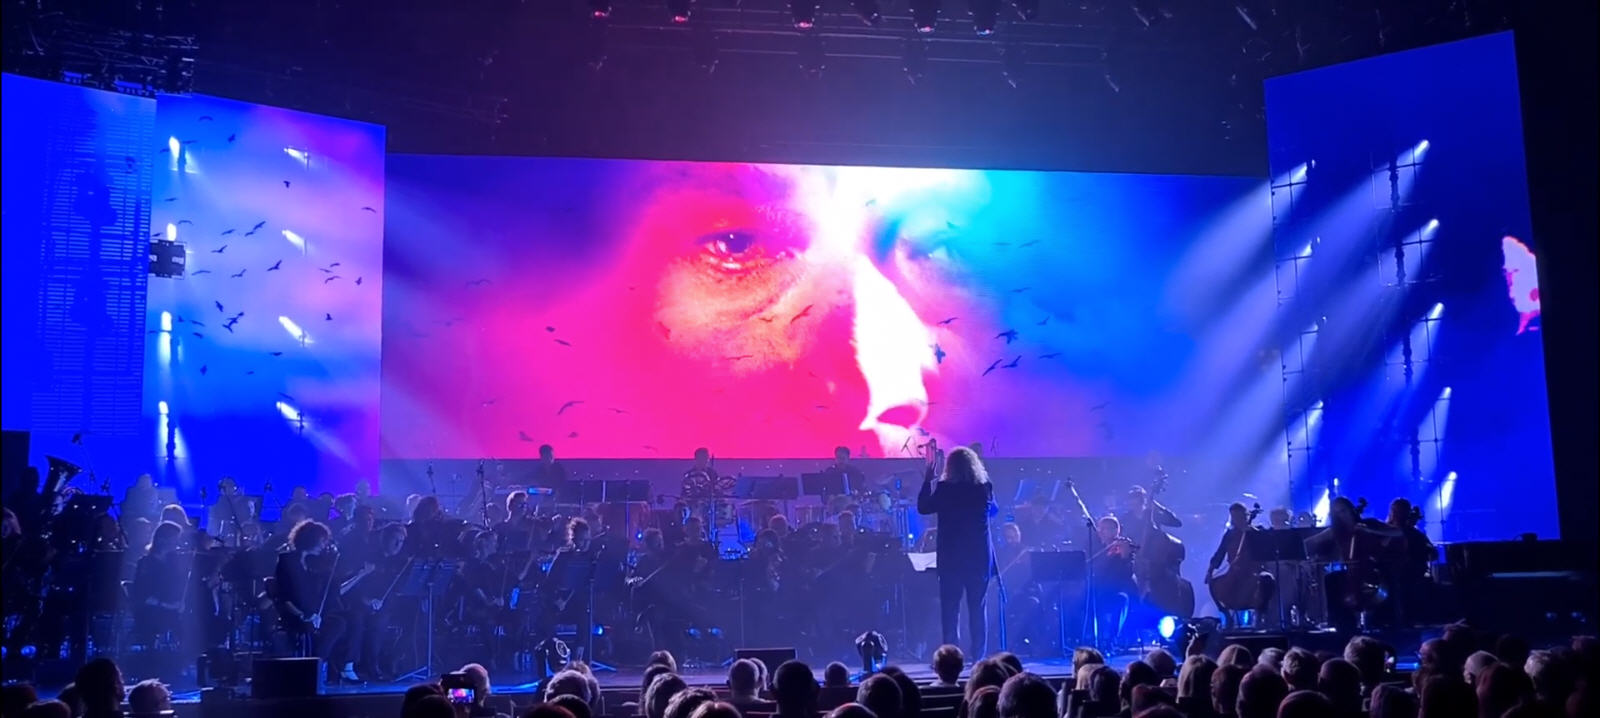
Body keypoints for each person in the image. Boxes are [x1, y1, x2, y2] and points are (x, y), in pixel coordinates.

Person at [917, 442, 996, 659]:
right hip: (978, 558)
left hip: (951, 558)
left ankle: (951, 658)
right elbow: (994, 510)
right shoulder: (984, 488)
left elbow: (923, 507)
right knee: (977, 608)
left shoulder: (945, 489)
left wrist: (928, 480)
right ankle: (978, 657)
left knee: (950, 609)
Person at [1206, 503, 1274, 628]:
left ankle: (1260, 615)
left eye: (1239, 516)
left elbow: (1267, 545)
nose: (1237, 520)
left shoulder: (1257, 531)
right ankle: (1227, 616)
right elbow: (1219, 553)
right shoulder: (1230, 535)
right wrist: (1210, 570)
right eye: (1234, 517)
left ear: (1246, 516)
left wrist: (1252, 532)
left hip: (1254, 572)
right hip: (1234, 571)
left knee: (1267, 579)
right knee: (1213, 583)